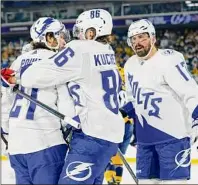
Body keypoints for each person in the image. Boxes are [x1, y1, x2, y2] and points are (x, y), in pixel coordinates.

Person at [5, 9, 125, 184]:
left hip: (90, 135)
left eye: (79, 32)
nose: (72, 38)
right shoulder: (107, 51)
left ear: (91, 32)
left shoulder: (79, 49)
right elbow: (66, 104)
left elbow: (34, 76)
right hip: (105, 133)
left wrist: (15, 78)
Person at [1, 17, 75, 184]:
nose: (63, 40)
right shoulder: (57, 61)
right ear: (48, 37)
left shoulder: (17, 61)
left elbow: (5, 102)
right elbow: (66, 104)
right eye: (60, 35)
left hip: (17, 145)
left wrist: (7, 133)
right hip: (46, 143)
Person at [124, 19, 198, 184]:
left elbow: (191, 92)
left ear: (153, 38)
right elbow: (132, 99)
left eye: (142, 37)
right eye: (133, 39)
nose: (137, 42)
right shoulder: (130, 65)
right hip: (145, 142)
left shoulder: (168, 60)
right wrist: (120, 113)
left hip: (173, 139)